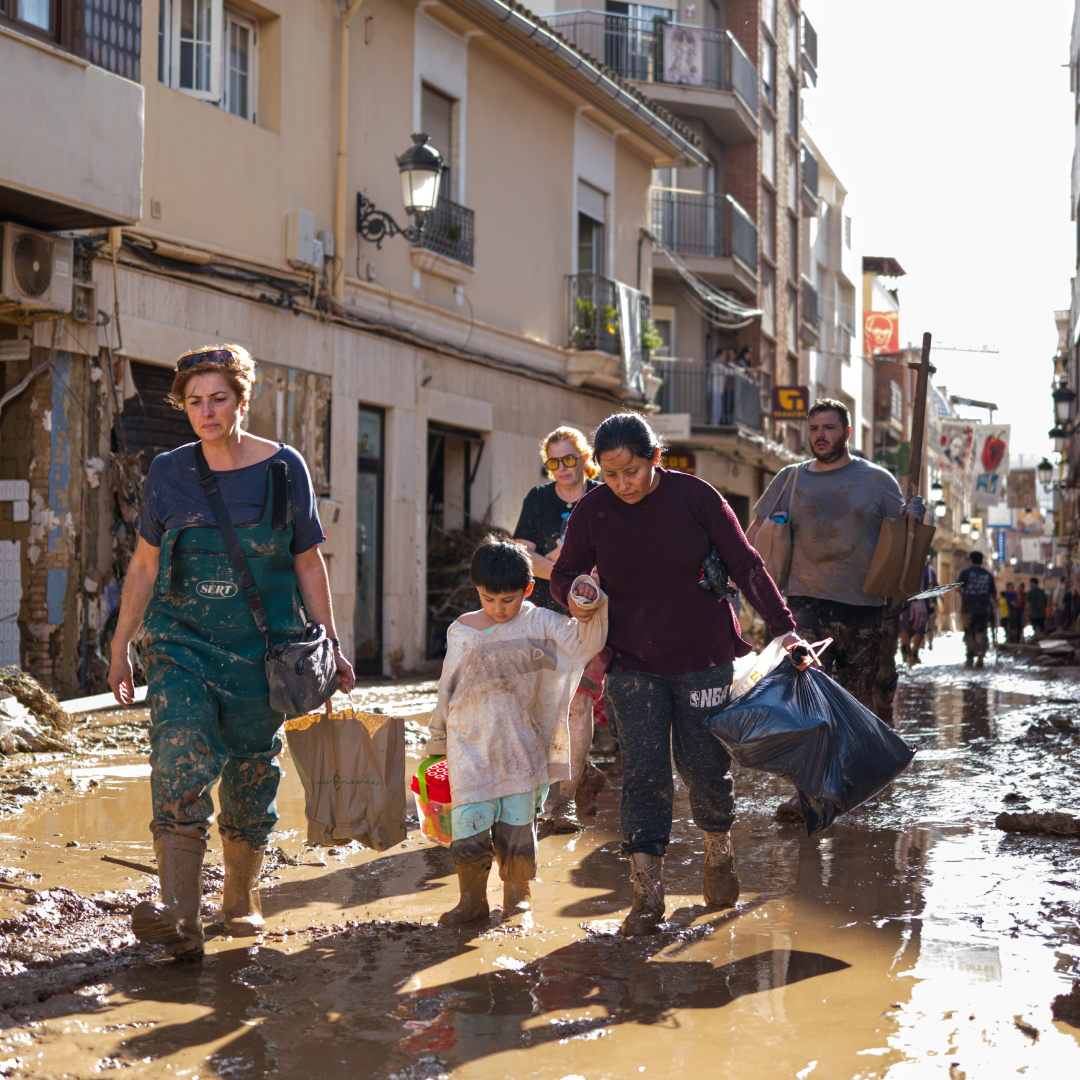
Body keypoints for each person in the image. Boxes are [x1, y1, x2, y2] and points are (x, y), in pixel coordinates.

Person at [108, 344, 354, 961]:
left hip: (261, 652)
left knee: (251, 771)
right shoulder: (168, 471)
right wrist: (120, 646)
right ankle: (180, 917)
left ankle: (240, 900)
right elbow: (142, 566)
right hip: (181, 642)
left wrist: (330, 643)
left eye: (219, 398)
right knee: (178, 756)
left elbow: (306, 560)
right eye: (194, 401)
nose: (206, 411)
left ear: (243, 401)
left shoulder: (283, 469)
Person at [551, 412, 810, 936]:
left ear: (655, 459)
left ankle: (719, 852)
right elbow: (563, 575)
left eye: (631, 471)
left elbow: (748, 566)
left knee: (703, 771)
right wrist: (575, 591)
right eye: (610, 473)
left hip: (705, 660)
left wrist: (785, 630)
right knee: (644, 776)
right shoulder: (592, 510)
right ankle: (647, 895)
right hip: (630, 666)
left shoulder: (697, 498)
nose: (621, 484)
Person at [424, 536, 608, 924]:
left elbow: (585, 640)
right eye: (489, 599)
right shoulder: (461, 630)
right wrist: (437, 740)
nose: (498, 608)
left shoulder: (540, 623)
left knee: (517, 832)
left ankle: (517, 896)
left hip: (521, 749)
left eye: (507, 600)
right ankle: (471, 902)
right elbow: (447, 688)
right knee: (468, 832)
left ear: (527, 589)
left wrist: (590, 600)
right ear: (478, 591)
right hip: (469, 750)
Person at [747, 399, 923, 720]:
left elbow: (903, 547)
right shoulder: (790, 478)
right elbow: (754, 532)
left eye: (828, 428)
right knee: (808, 693)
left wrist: (914, 522)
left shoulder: (879, 481)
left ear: (847, 433)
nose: (820, 435)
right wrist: (739, 577)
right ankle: (818, 766)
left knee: (857, 699)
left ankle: (856, 762)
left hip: (864, 608)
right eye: (814, 428)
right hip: (804, 604)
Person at [513, 427, 607, 828]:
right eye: (553, 462)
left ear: (584, 458)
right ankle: (581, 774)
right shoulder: (538, 499)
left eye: (570, 459)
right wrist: (565, 573)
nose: (562, 469)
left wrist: (553, 563)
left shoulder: (604, 495)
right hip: (545, 615)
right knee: (542, 708)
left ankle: (558, 805)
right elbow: (520, 552)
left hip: (591, 615)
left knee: (578, 704)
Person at [958, 551, 996, 668]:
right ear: (982, 561)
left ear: (970, 560)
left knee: (968, 631)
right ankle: (980, 653)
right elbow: (993, 594)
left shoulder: (965, 572)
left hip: (967, 607)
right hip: (983, 607)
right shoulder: (988, 574)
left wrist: (964, 594)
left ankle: (969, 656)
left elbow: (958, 588)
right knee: (981, 630)